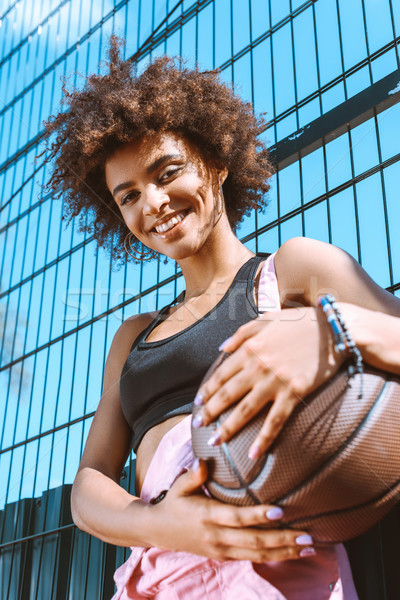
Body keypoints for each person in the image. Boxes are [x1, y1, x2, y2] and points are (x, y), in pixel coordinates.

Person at [44, 37, 400, 599]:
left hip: (267, 569)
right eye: (128, 194)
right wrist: (157, 523)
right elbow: (89, 486)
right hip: (157, 573)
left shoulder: (292, 271)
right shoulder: (134, 336)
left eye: (167, 173)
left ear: (216, 161)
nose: (152, 203)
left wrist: (330, 333)